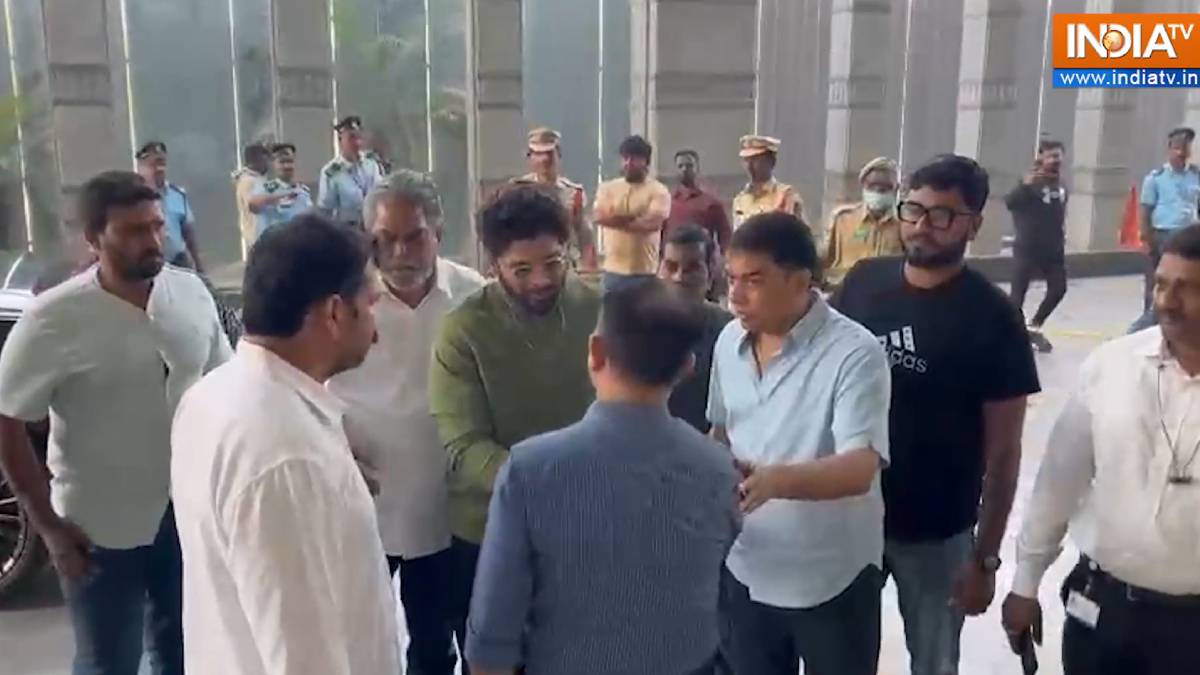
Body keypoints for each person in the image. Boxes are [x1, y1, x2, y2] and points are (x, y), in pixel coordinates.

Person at [0, 170, 231, 675]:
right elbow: (7, 420)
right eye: (132, 231)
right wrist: (49, 528)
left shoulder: (190, 293)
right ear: (94, 238)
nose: (152, 240)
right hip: (98, 529)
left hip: (186, 513)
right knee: (110, 663)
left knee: (185, 654)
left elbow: (225, 388)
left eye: (156, 226)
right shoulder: (52, 319)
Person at [466, 280, 741, 675]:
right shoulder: (719, 470)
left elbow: (492, 638)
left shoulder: (530, 470)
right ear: (687, 368)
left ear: (595, 352)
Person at [834, 154, 1040, 675]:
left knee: (934, 662)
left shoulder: (994, 317)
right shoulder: (863, 283)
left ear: (974, 223)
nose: (922, 225)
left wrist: (985, 558)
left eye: (942, 214)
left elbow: (1004, 453)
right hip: (850, 518)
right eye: (914, 209)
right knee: (840, 658)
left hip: (937, 534)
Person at [170, 214, 401, 675]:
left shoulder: (213, 395)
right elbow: (304, 658)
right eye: (371, 303)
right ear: (335, 313)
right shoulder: (287, 456)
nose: (377, 331)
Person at [1002, 224, 1200, 675]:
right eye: (1162, 284)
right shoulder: (1112, 365)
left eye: (1187, 289)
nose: (1167, 301)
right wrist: (1026, 582)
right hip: (1104, 609)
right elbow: (1058, 482)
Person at [429, 184, 601, 674]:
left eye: (553, 263)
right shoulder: (463, 331)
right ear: (493, 266)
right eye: (521, 270)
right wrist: (547, 489)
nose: (541, 280)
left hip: (585, 528)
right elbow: (465, 446)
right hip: (490, 532)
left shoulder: (599, 310)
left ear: (569, 250)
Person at [710, 212, 891, 675]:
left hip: (831, 577)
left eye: (754, 280)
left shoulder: (855, 353)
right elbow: (721, 433)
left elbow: (859, 467)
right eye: (731, 279)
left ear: (799, 281)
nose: (735, 296)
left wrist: (774, 481)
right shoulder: (728, 341)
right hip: (748, 565)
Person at [328, 170, 484, 675]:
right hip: (362, 503)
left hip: (443, 507)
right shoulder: (342, 302)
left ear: (439, 232)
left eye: (414, 237)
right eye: (385, 238)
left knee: (435, 643)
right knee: (358, 646)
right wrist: (330, 445)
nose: (399, 253)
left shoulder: (473, 297)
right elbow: (302, 380)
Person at [658, 224, 731, 433]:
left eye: (692, 268)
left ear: (709, 275)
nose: (679, 277)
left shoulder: (729, 332)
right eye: (671, 267)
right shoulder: (638, 327)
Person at [1131, 126, 1200, 332]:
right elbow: (1146, 210)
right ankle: (1142, 330)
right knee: (1158, 285)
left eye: (1185, 147)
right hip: (1163, 236)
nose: (1181, 152)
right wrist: (1146, 239)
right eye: (1177, 147)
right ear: (1169, 149)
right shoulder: (1156, 178)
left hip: (1189, 237)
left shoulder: (1195, 176)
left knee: (1186, 284)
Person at [1006, 139, 1069, 353]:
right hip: (1027, 248)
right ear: (1040, 157)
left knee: (1058, 288)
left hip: (1053, 249)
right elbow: (1010, 203)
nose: (1055, 161)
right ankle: (1010, 333)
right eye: (1051, 156)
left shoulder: (1061, 186)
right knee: (1017, 296)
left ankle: (1034, 326)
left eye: (1058, 156)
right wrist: (1025, 185)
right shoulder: (1029, 182)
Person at [593, 135, 671, 295]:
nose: (628, 163)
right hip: (612, 272)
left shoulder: (659, 191)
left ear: (646, 162)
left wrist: (616, 219)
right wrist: (635, 217)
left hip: (645, 273)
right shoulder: (607, 188)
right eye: (625, 158)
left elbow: (652, 224)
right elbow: (599, 217)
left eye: (634, 159)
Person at [510, 127, 596, 270]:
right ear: (530, 157)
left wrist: (589, 266)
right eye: (538, 154)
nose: (544, 159)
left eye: (549, 153)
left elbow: (584, 234)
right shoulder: (517, 190)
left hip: (562, 263)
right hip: (526, 265)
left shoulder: (572, 192)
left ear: (558, 154)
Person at [821, 156, 903, 288]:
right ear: (863, 186)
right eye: (872, 186)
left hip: (886, 292)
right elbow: (824, 259)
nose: (878, 191)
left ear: (896, 189)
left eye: (885, 188)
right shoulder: (842, 218)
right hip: (844, 290)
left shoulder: (904, 224)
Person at [136, 140, 205, 272]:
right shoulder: (134, 197)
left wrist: (199, 266)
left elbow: (188, 233)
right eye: (153, 165)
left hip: (177, 262)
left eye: (162, 163)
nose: (159, 169)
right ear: (141, 168)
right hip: (147, 262)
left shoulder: (178, 195)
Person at [318, 115, 384, 228]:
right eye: (351, 138)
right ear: (340, 140)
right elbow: (326, 211)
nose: (356, 143)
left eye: (358, 137)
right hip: (346, 228)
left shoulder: (371, 165)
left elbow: (380, 194)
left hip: (372, 226)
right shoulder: (331, 172)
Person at [666, 149, 732, 253]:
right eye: (680, 166)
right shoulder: (667, 203)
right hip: (673, 259)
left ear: (697, 168)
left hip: (702, 259)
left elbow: (725, 237)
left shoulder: (711, 203)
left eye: (689, 166)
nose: (684, 169)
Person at [731, 135, 803, 229]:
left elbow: (797, 233)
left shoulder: (786, 196)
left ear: (771, 161)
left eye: (756, 159)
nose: (750, 165)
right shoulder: (740, 200)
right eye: (746, 160)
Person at [248, 143, 314, 237]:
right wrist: (282, 195)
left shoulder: (303, 190)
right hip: (273, 243)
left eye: (290, 161)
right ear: (273, 163)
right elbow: (253, 205)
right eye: (282, 162)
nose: (287, 166)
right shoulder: (265, 188)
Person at [232, 142, 270, 256]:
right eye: (264, 159)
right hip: (258, 238)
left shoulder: (257, 179)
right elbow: (254, 206)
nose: (268, 163)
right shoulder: (248, 182)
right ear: (256, 160)